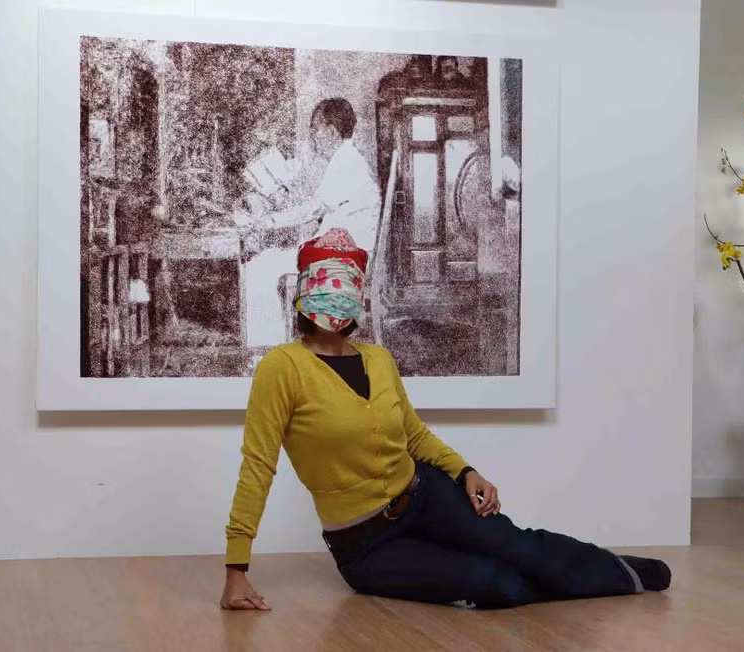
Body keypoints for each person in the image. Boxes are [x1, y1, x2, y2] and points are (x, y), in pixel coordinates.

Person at [220, 227, 672, 611]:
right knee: (498, 583)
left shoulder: (379, 359)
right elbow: (258, 465)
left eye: (347, 287)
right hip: (366, 547)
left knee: (520, 547)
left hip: (425, 494)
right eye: (325, 286)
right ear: (303, 293)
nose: (336, 300)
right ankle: (583, 579)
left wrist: (465, 471)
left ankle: (619, 571)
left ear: (360, 293)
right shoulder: (282, 368)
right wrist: (236, 569)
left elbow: (413, 436)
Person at [236, 98, 380, 350]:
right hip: (344, 253)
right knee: (267, 260)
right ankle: (271, 344)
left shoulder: (348, 163)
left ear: (330, 131)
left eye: (314, 128)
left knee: (258, 267)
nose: (312, 135)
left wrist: (266, 221)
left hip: (342, 259)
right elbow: (318, 205)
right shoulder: (347, 160)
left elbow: (312, 209)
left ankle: (264, 350)